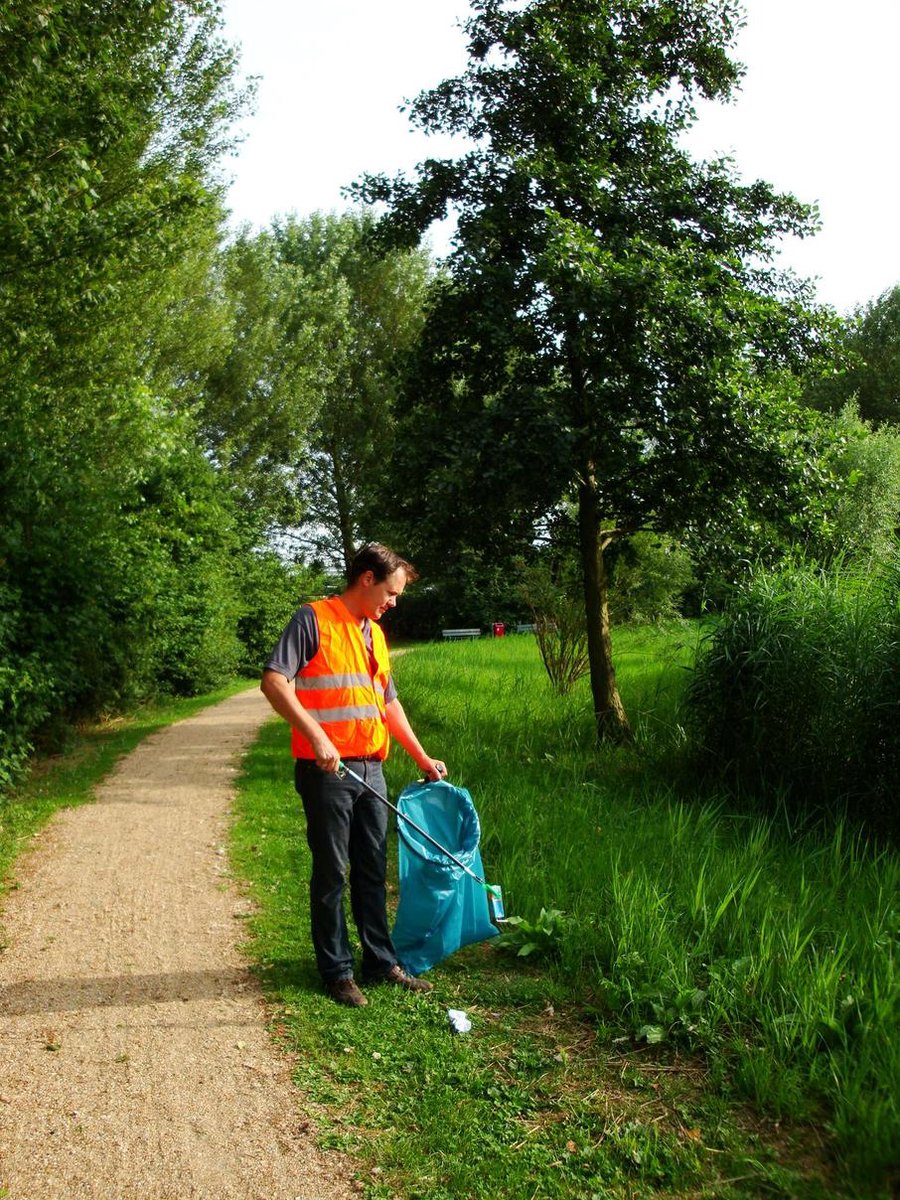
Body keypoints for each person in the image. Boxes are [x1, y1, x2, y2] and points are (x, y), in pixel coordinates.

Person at [260, 542, 448, 1008]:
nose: (394, 602)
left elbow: (388, 705)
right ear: (366, 579)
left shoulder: (376, 635)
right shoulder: (312, 618)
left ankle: (381, 963)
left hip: (371, 769)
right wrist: (317, 736)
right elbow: (274, 681)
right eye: (391, 591)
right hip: (327, 771)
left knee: (371, 868)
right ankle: (337, 971)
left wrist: (423, 758)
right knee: (332, 871)